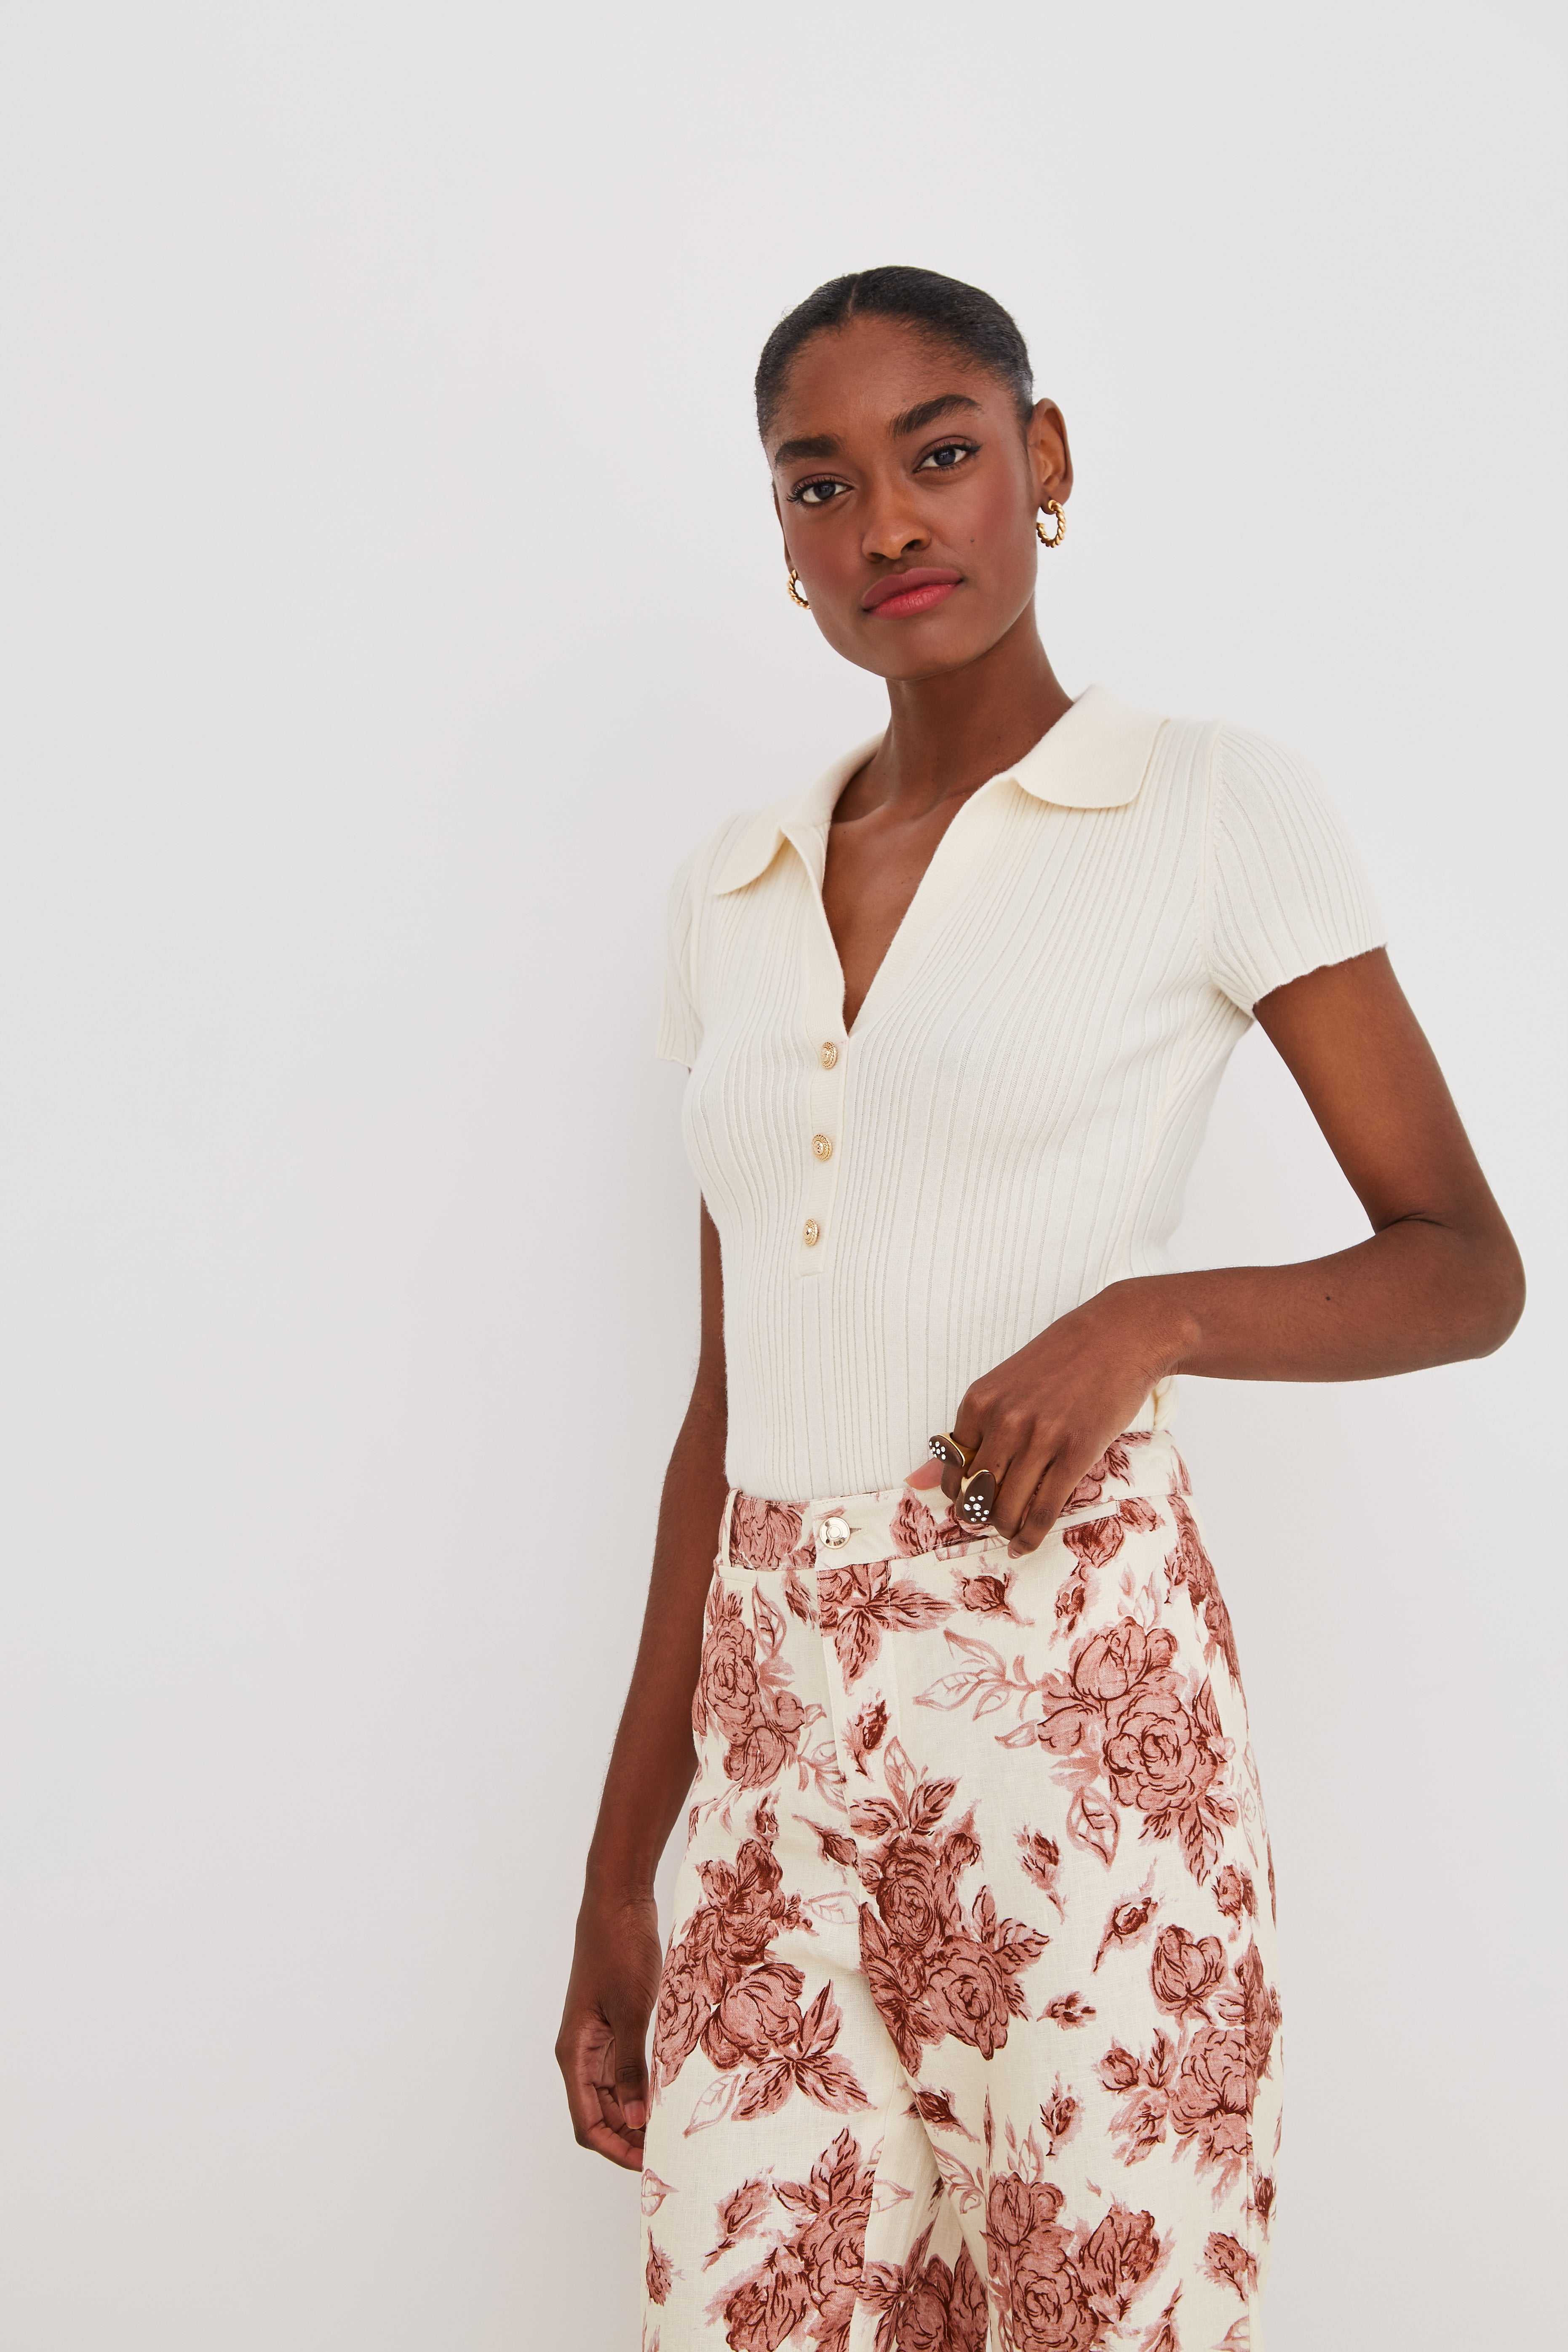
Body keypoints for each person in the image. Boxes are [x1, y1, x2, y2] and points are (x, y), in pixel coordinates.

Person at [555, 266, 1523, 2352]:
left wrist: (1148, 1319)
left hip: (1073, 1727)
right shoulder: (732, 887)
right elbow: (723, 1409)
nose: (887, 522)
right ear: (781, 531)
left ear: (1042, 461)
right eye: (821, 483)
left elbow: (1461, 1259)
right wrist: (622, 1866)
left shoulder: (1206, 805)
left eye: (940, 453)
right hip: (774, 1766)